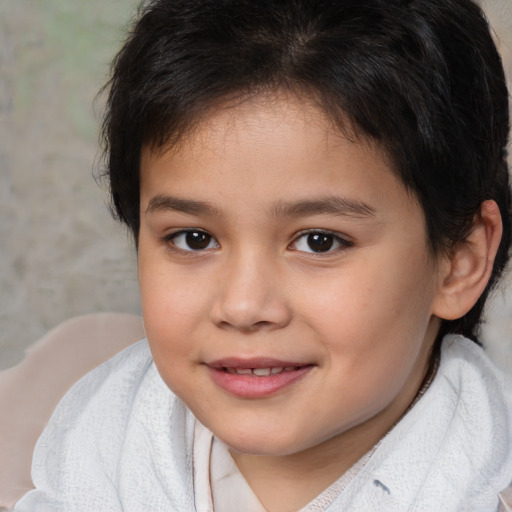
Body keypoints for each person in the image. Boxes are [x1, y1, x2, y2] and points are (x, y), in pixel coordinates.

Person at [13, 0, 512, 510]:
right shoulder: (79, 456)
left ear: (459, 261)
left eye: (319, 241)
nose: (243, 306)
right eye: (193, 238)